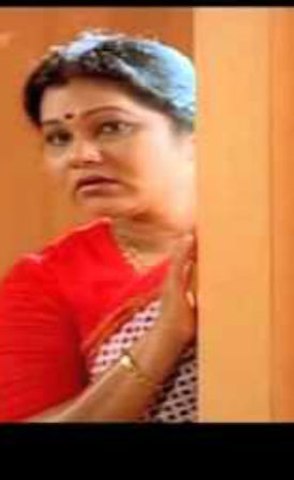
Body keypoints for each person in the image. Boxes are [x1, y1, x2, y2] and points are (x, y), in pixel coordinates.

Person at [0, 29, 198, 422]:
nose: (80, 156)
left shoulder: (271, 244)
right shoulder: (44, 282)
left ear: (194, 134)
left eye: (111, 127)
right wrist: (164, 336)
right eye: (59, 137)